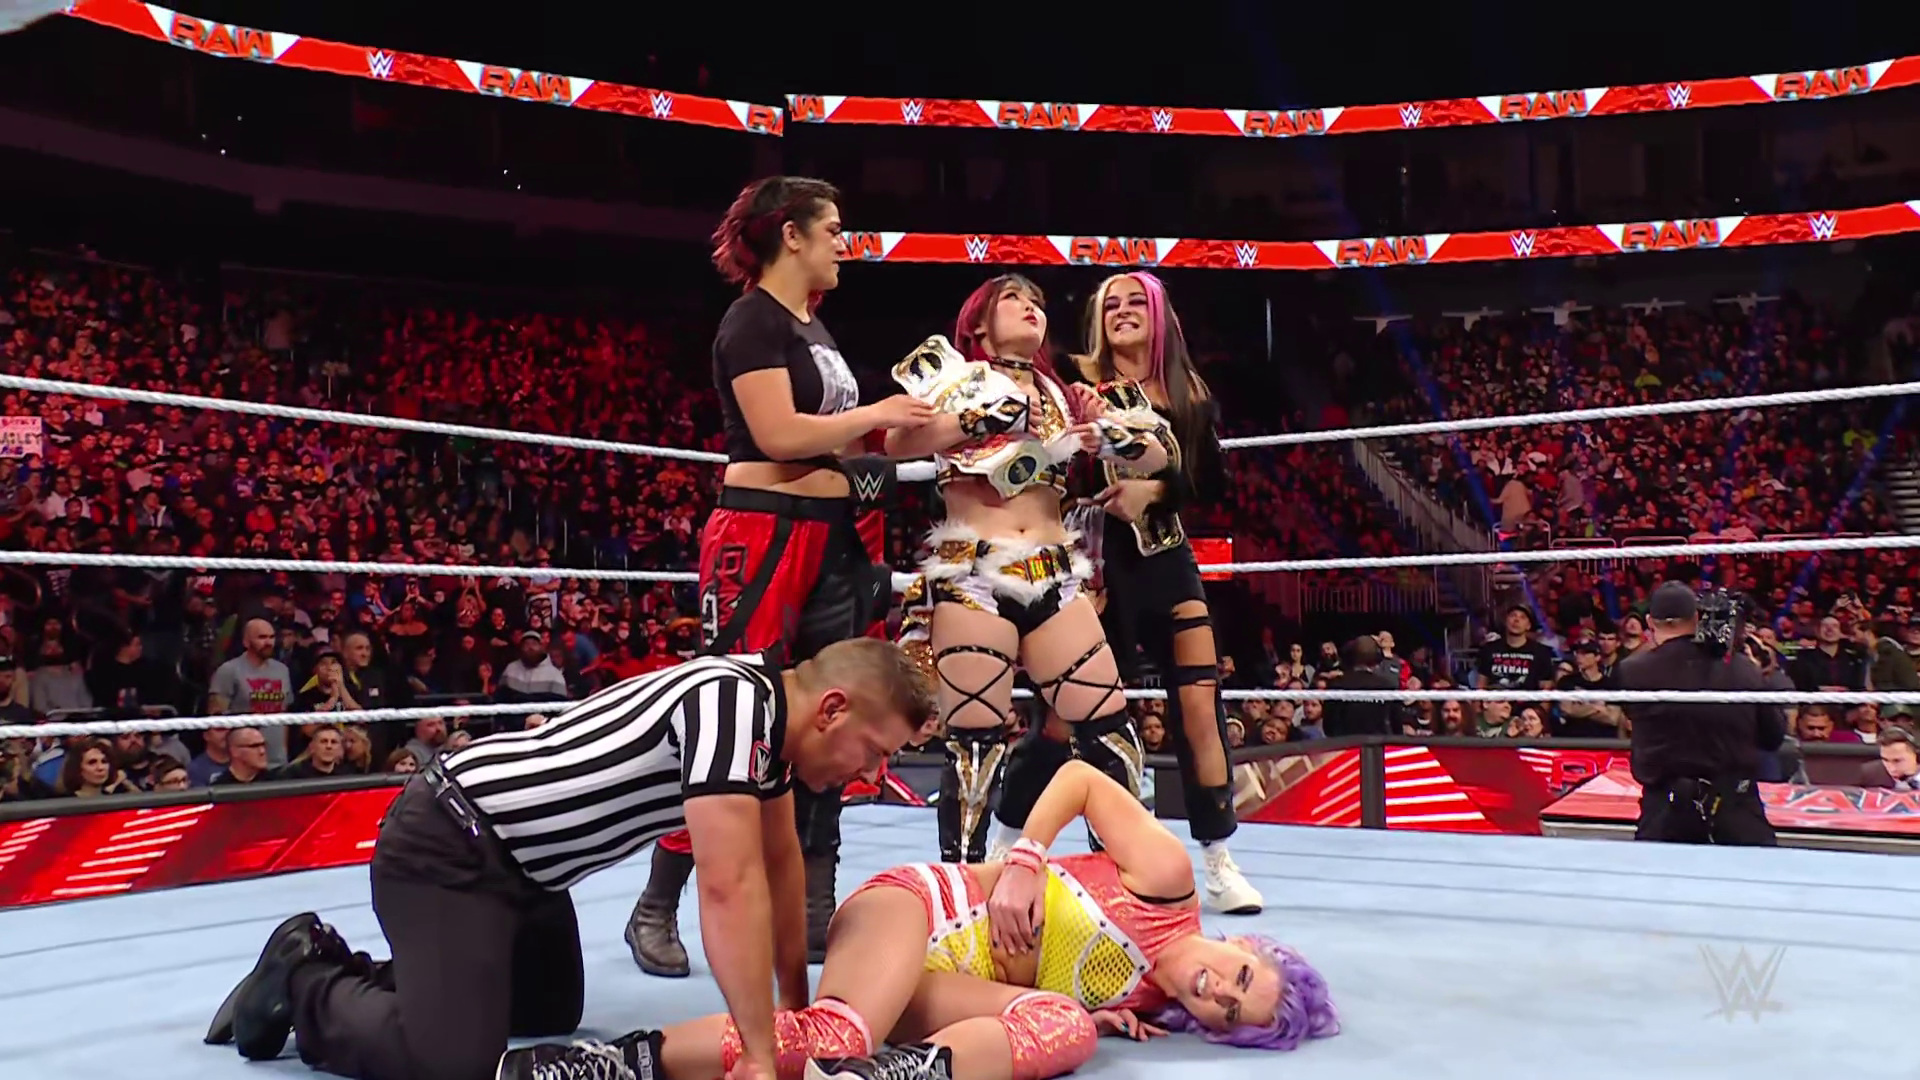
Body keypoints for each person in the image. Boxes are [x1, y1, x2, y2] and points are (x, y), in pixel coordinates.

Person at [205, 638, 936, 1080]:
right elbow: (728, 885)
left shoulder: (770, 733)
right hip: (450, 848)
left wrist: (795, 1016)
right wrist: (757, 1053)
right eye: (874, 751)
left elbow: (780, 870)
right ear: (832, 709)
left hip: (531, 876)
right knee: (454, 1064)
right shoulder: (730, 703)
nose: (871, 773)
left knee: (549, 1011)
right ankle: (306, 977)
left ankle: (384, 977)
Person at [499, 760, 1338, 1080]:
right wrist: (1025, 859)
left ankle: (876, 1078)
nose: (1218, 992)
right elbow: (1083, 778)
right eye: (1240, 977)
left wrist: (1097, 1009)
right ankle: (600, 1066)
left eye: (1230, 1013)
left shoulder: (1149, 1008)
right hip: (918, 910)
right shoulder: (1165, 881)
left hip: (942, 989)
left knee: (1066, 1030)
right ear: (1242, 943)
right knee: (834, 1030)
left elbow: (1051, 1003)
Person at [628, 175, 935, 978]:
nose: (844, 245)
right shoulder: (751, 321)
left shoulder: (814, 328)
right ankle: (657, 903)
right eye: (832, 230)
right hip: (761, 535)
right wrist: (878, 413)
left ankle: (810, 905)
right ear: (790, 234)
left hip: (834, 538)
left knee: (834, 714)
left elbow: (845, 442)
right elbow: (778, 433)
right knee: (734, 719)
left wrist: (940, 427)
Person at [890, 274, 1172, 864]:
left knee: (1109, 729)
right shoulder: (954, 380)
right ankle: (965, 890)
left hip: (1054, 572)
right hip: (975, 572)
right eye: (1013, 300)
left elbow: (1158, 455)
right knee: (974, 743)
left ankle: (1118, 877)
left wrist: (1107, 435)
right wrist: (976, 420)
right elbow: (896, 442)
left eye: (1037, 302)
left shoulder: (1062, 394)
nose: (1031, 308)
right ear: (979, 323)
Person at [1049, 270, 1259, 913]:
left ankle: (1218, 860)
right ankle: (1073, 855)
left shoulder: (1188, 392)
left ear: (1159, 313)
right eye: (1110, 304)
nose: (1122, 311)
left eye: (1135, 301)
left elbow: (1211, 481)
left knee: (1200, 703)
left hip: (1166, 556)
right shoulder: (1074, 379)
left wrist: (1156, 489)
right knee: (1077, 717)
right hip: (1092, 563)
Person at [1616, 582, 1786, 846]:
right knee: (1755, 872)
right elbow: (1773, 736)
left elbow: (1634, 714)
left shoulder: (1633, 670)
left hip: (1667, 811)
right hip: (1735, 808)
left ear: (1649, 622)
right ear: (1696, 617)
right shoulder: (1742, 668)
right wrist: (1753, 673)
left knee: (1657, 872)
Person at [1319, 636, 1399, 738]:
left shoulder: (1337, 684)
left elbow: (1329, 726)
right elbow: (1397, 727)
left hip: (1345, 744)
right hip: (1378, 744)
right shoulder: (1387, 686)